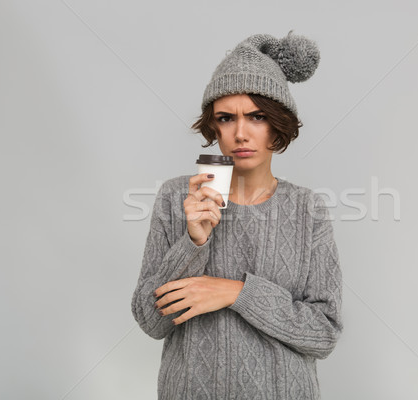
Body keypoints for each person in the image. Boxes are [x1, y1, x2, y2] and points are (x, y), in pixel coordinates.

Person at [131, 30, 344, 400]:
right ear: (213, 126)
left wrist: (237, 292)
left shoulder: (308, 209)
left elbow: (323, 333)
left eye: (257, 116)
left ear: (278, 124)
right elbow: (151, 322)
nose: (241, 133)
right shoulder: (175, 197)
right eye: (226, 118)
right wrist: (193, 242)